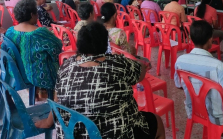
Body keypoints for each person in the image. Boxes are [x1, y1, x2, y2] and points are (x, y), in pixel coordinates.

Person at [34, 22, 165, 139]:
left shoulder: (66, 66)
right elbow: (141, 73)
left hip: (72, 135)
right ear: (105, 44)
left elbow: (57, 100)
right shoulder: (118, 64)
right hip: (117, 133)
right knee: (157, 121)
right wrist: (140, 62)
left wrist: (47, 122)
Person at [175, 21, 223, 139]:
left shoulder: (180, 60)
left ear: (191, 39)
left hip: (195, 111)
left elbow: (178, 85)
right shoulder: (220, 67)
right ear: (210, 40)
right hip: (218, 116)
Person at [3, 0, 62, 91]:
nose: (38, 16)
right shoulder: (39, 33)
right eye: (36, 13)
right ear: (32, 15)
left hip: (15, 72)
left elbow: (4, 49)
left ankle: (36, 93)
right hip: (38, 76)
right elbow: (58, 49)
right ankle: (55, 93)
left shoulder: (10, 31)